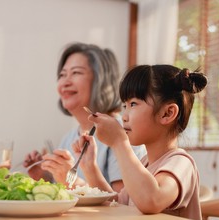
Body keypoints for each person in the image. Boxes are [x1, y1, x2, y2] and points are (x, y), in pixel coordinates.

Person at [77, 64, 208, 220]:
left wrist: (119, 143)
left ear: (167, 113)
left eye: (134, 104)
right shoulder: (145, 164)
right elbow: (116, 205)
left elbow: (151, 199)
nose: (124, 115)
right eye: (124, 105)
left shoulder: (181, 163)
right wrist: (90, 167)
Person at [23, 42, 145, 193]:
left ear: (100, 81)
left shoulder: (122, 132)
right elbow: (66, 193)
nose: (65, 82)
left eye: (76, 73)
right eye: (62, 75)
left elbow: (123, 203)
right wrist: (45, 176)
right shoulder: (68, 138)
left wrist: (71, 180)